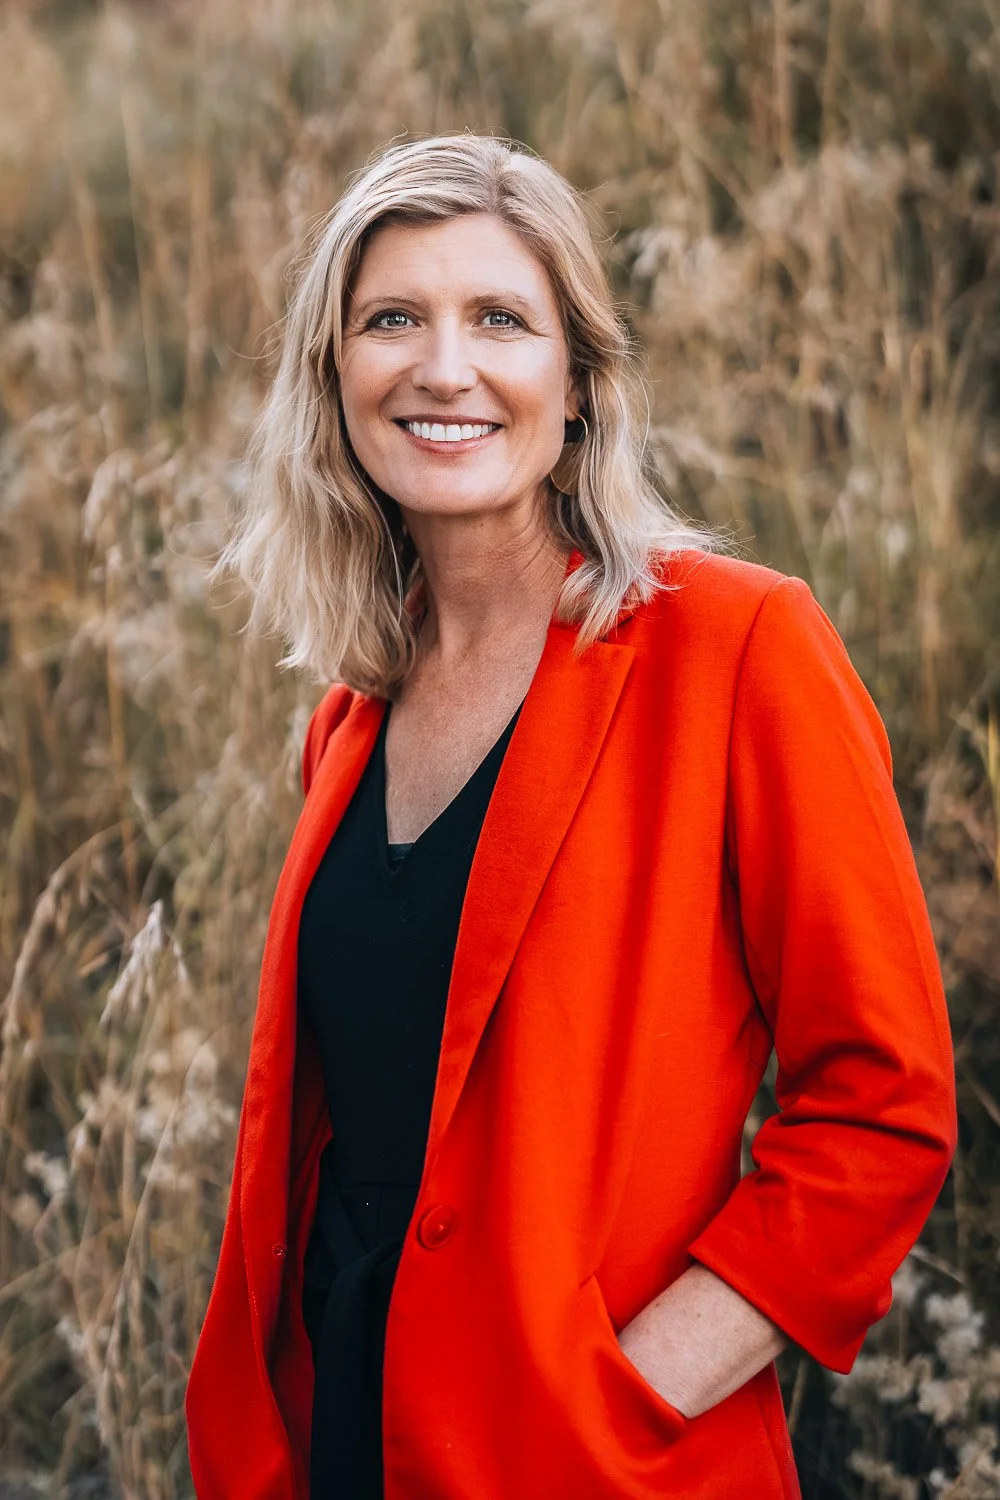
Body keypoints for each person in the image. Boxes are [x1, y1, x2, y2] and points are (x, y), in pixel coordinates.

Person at [184, 132, 958, 1500]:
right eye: (391, 320)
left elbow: (880, 1106)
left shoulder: (739, 649)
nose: (443, 366)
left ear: (580, 382)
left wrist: (630, 1383)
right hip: (341, 1447)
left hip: (591, 1460)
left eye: (500, 319)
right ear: (336, 378)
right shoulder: (349, 718)